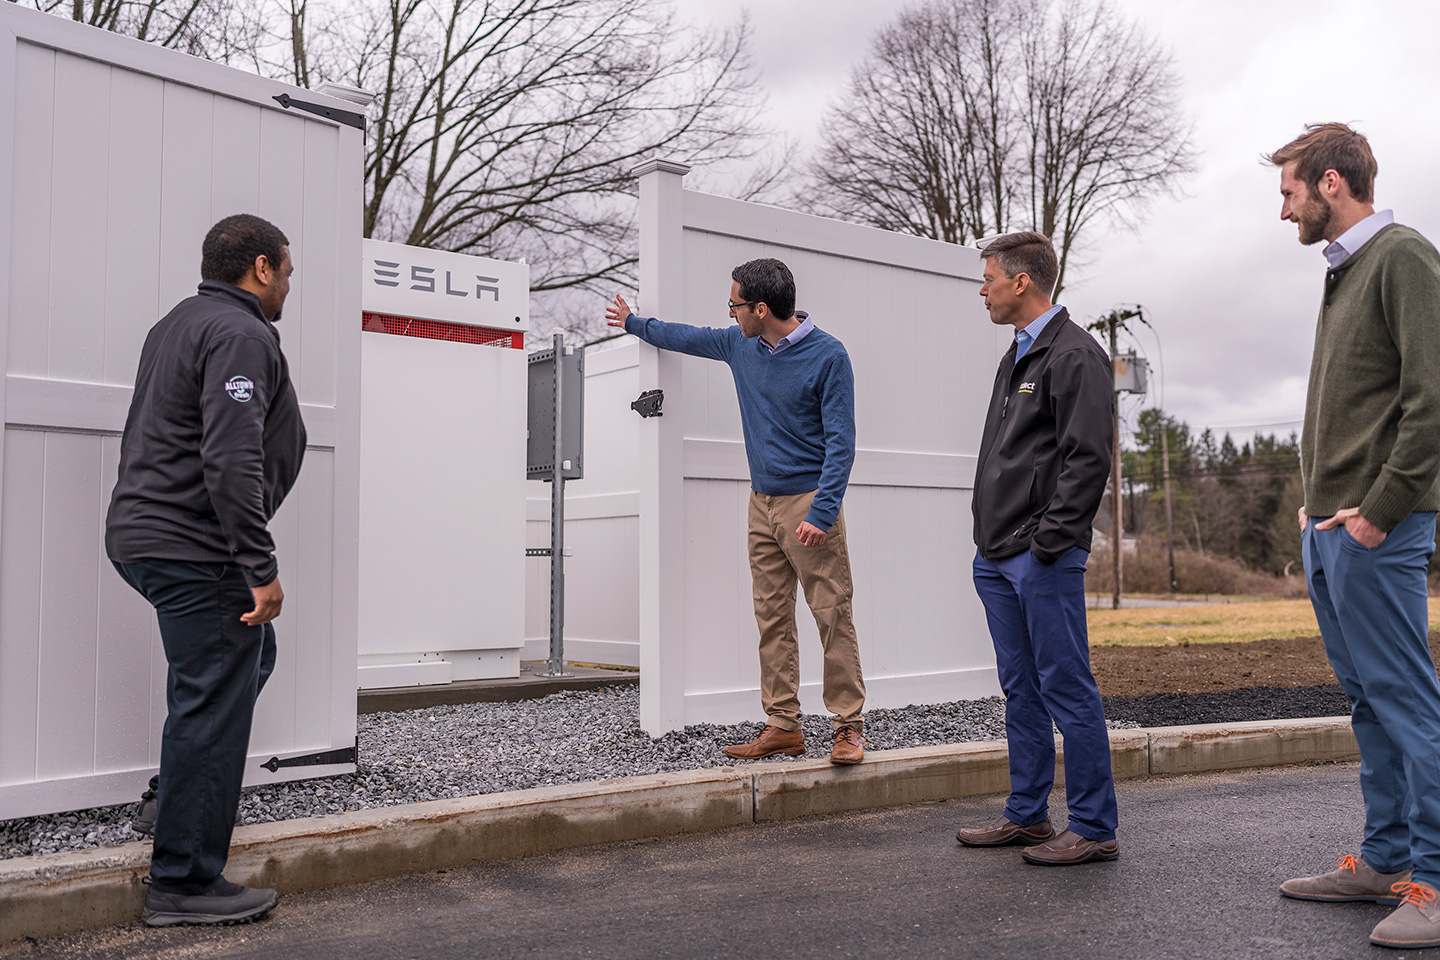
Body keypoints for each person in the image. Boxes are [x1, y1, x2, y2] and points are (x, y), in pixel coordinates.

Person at [106, 213, 306, 927]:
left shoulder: (178, 323)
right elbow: (230, 455)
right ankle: (184, 880)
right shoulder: (241, 332)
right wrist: (259, 564)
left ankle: (176, 797)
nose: (288, 285)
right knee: (212, 696)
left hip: (146, 537)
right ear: (260, 267)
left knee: (241, 666)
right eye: (287, 270)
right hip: (197, 547)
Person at [1268, 123, 1440, 950]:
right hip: (1330, 528)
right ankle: (1384, 861)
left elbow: (1432, 399)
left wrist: (1380, 507)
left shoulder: (1403, 256)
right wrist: (1315, 505)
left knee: (1408, 702)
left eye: (1290, 191)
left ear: (1332, 184)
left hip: (1379, 530)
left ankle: (1436, 884)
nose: (1285, 209)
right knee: (1370, 702)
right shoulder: (1344, 273)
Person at [604, 258, 867, 764]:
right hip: (761, 502)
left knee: (832, 615)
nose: (729, 314)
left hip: (809, 503)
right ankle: (783, 725)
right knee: (771, 617)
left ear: (761, 308)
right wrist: (634, 322)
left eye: (734, 305)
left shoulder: (828, 356)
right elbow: (684, 336)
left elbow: (841, 442)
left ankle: (848, 728)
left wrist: (823, 511)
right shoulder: (739, 344)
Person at [955, 231, 1119, 865]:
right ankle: (1026, 814)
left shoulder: (1075, 355)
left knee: (1065, 685)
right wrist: (989, 540)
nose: (984, 289)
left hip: (1040, 556)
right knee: (1019, 687)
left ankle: (1093, 825)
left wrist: (1049, 542)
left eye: (989, 278)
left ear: (1021, 282)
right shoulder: (1016, 355)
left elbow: (1088, 460)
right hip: (996, 555)